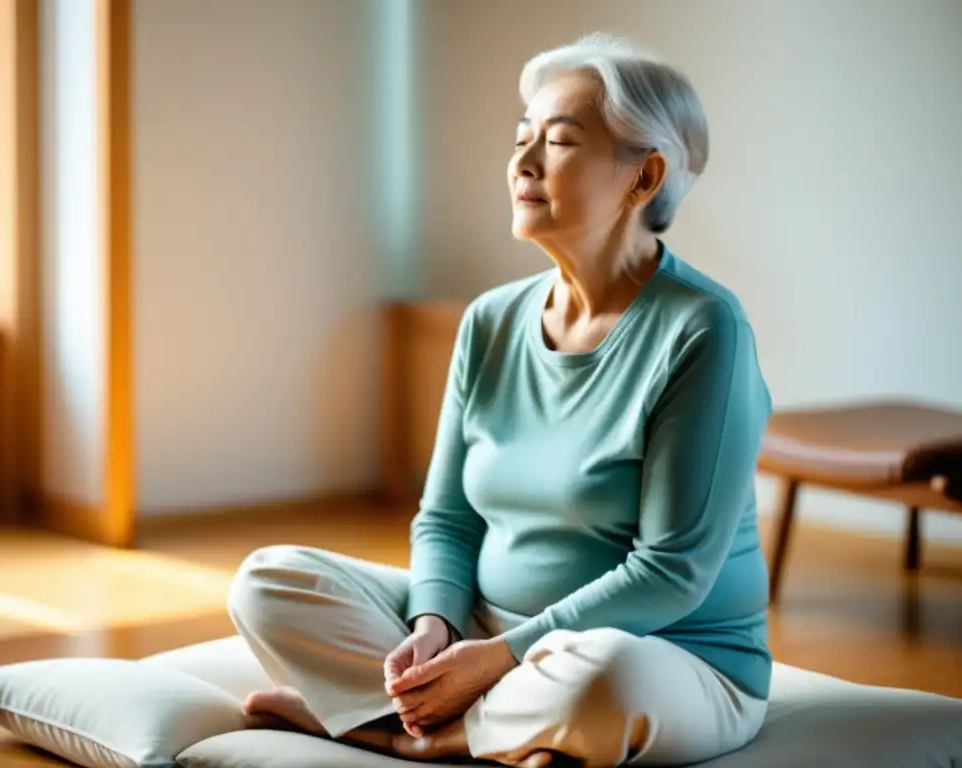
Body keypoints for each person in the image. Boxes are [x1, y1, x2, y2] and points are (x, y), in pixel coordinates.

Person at [227, 32, 773, 768]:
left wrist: (500, 658)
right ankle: (485, 723)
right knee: (268, 580)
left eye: (558, 142)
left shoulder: (705, 330)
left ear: (644, 178)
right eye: (521, 139)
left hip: (663, 654)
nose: (522, 163)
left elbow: (672, 571)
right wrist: (436, 627)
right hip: (485, 630)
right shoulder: (490, 320)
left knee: (604, 681)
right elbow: (447, 518)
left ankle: (408, 732)